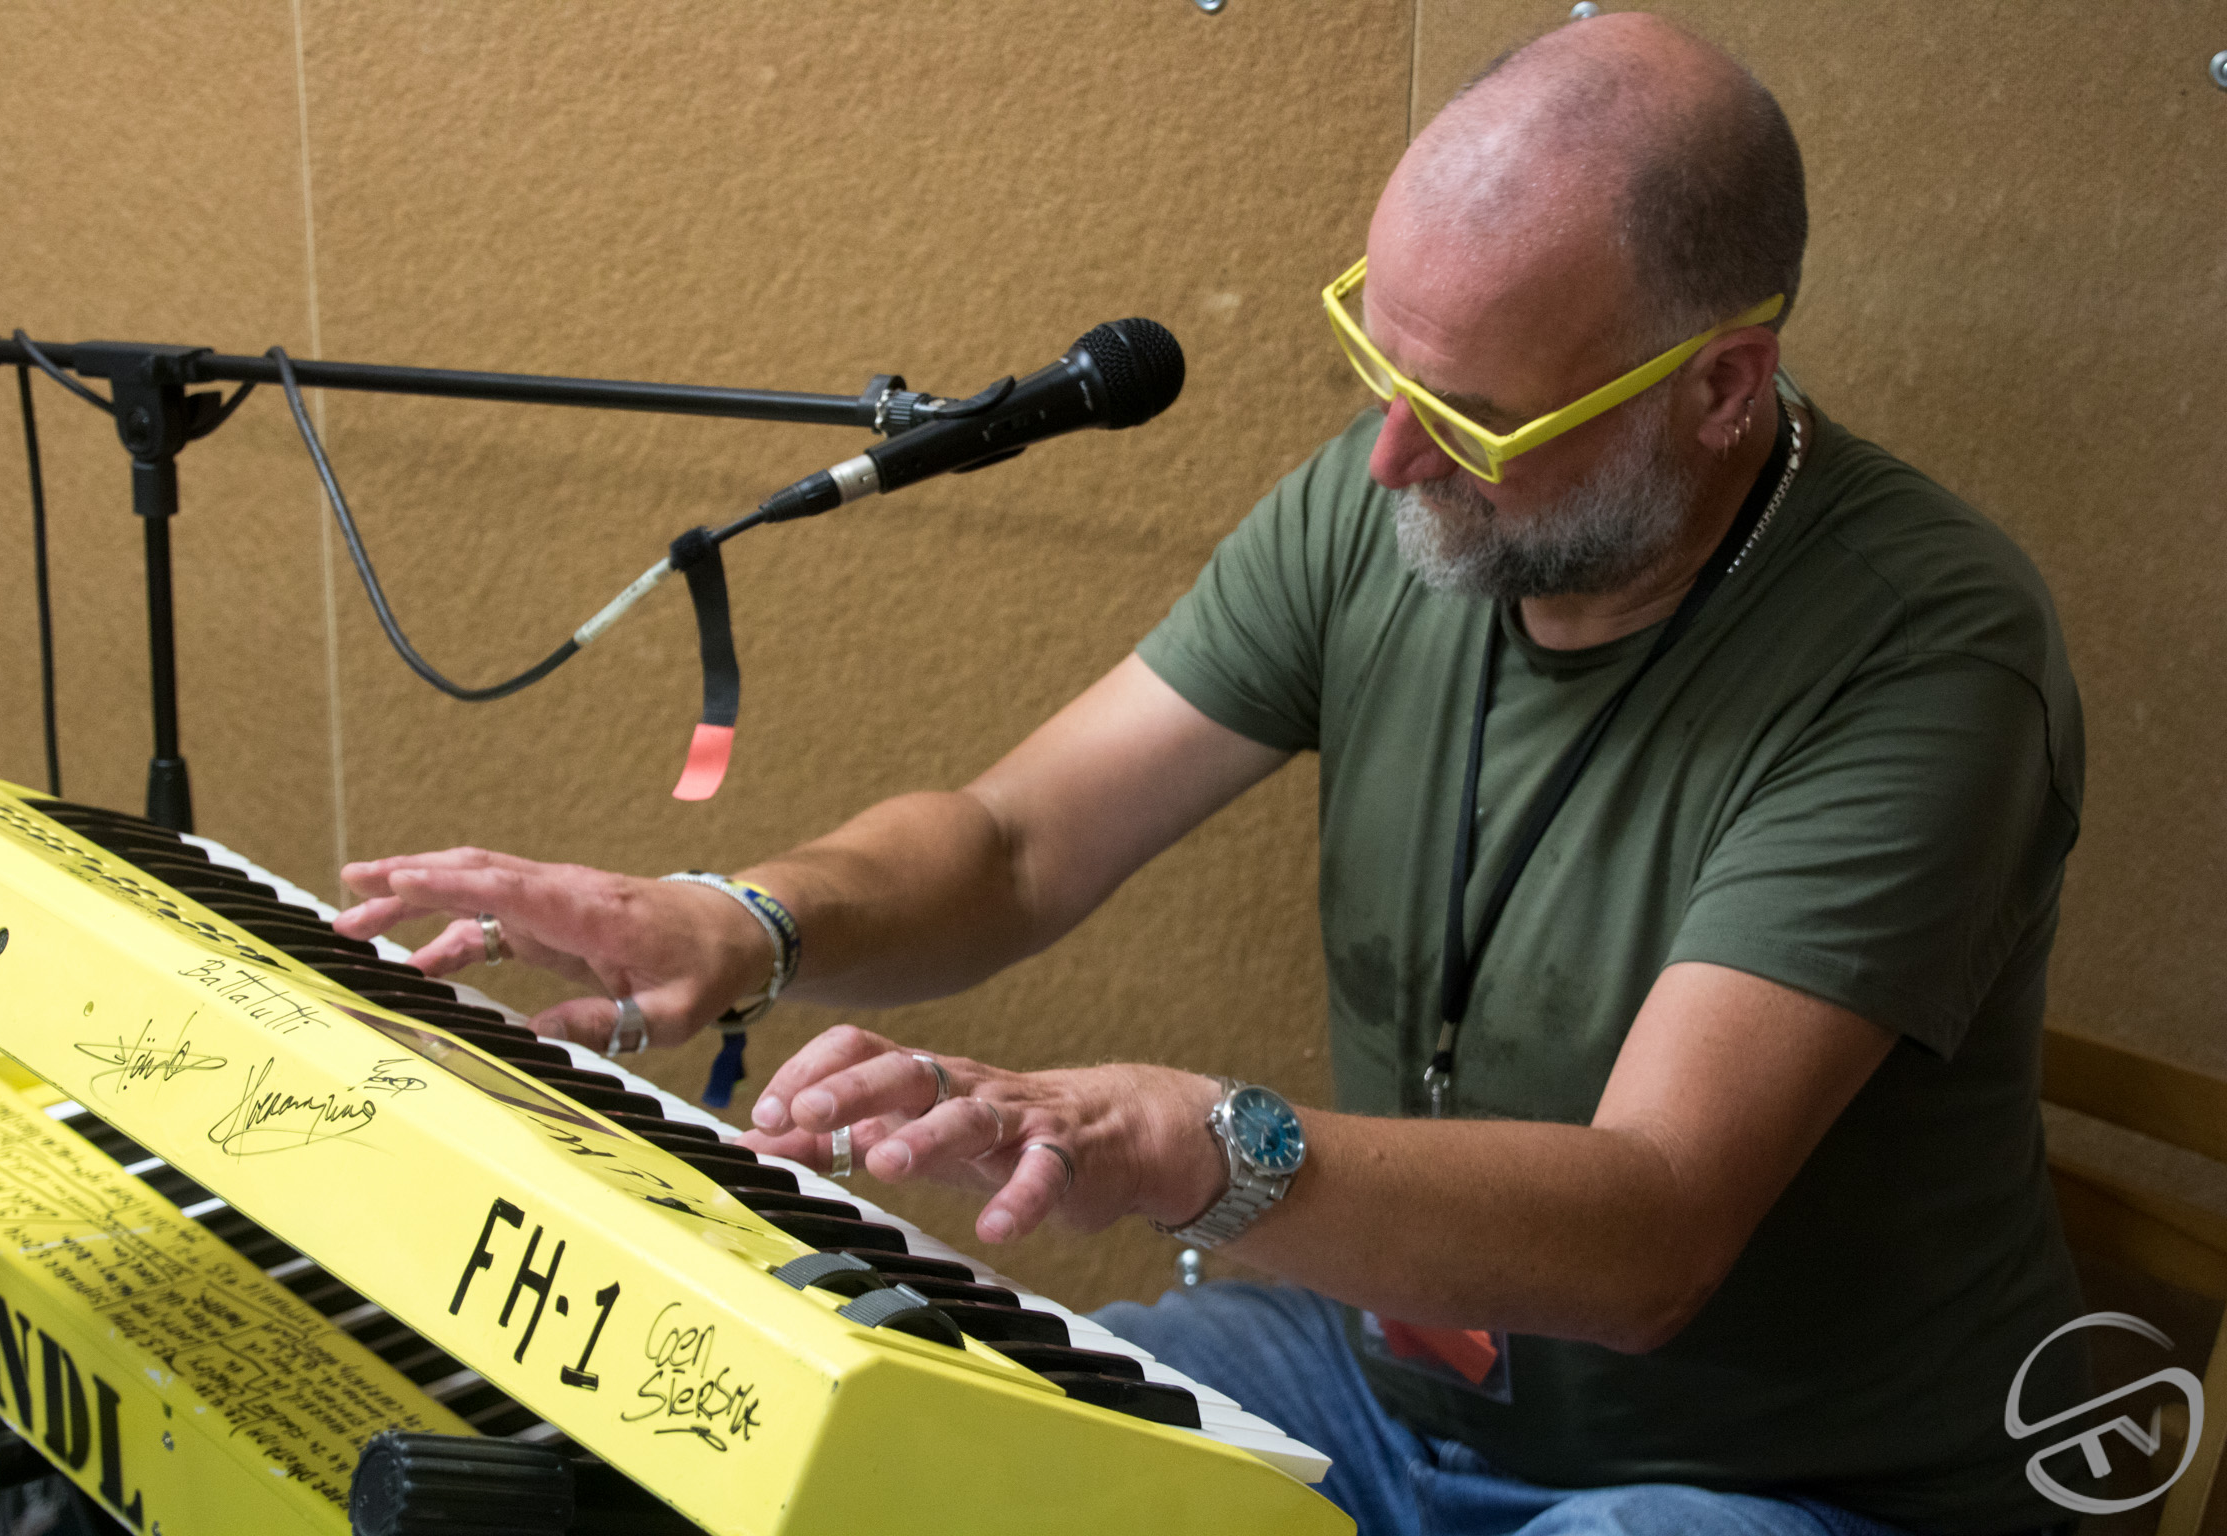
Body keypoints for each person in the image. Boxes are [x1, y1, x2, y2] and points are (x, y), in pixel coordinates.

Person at [338, 14, 2087, 1535]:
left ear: (1719, 389)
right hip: (1392, 1386)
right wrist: (745, 918)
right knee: (948, 1447)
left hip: (1777, 1480)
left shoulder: (1924, 649)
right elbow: (1017, 843)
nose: (1391, 456)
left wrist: (1194, 1149)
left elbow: (1651, 1236)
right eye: (1378, 362)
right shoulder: (1396, 502)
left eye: (1474, 416)